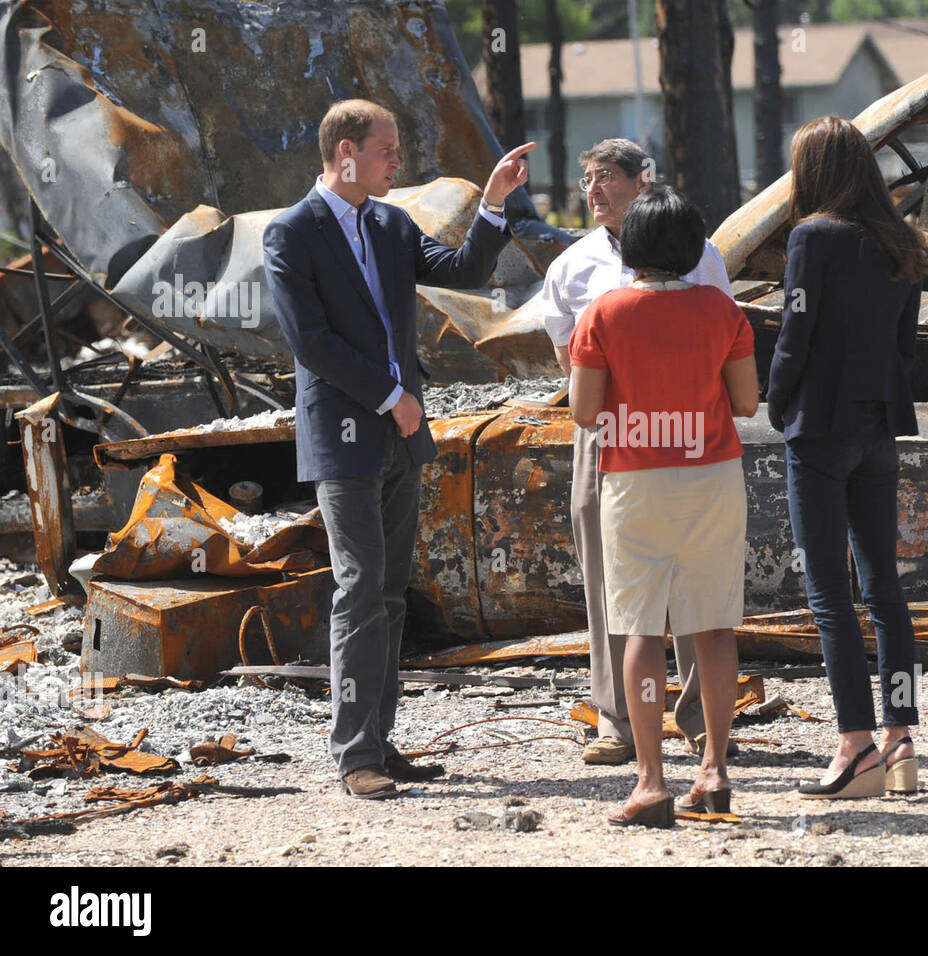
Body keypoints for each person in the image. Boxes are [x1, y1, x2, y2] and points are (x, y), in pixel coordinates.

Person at [262, 99, 533, 798]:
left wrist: (495, 205)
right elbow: (311, 343)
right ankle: (355, 756)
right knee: (358, 588)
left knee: (389, 591)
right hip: (348, 433)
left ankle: (380, 742)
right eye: (386, 148)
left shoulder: (389, 222)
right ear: (345, 151)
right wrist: (391, 397)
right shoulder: (291, 233)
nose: (398, 160)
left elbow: (463, 269)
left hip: (401, 434)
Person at [539, 138, 736, 766]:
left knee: (696, 588)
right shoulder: (572, 266)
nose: (593, 190)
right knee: (610, 578)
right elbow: (569, 364)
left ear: (642, 181)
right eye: (586, 179)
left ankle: (699, 719)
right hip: (607, 437)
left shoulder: (703, 256)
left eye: (607, 177)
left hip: (687, 438)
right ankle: (617, 718)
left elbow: (719, 337)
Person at [569, 186, 759, 827]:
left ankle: (651, 781)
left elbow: (584, 411)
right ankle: (715, 770)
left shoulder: (603, 313)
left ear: (633, 247)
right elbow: (747, 403)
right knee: (712, 626)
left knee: (641, 629)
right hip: (712, 476)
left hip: (636, 481)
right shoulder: (723, 310)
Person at [767, 116, 928, 799]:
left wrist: (777, 403)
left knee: (830, 597)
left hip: (822, 426)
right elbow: (904, 342)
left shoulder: (812, 236)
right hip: (878, 427)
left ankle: (853, 744)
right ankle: (900, 738)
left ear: (816, 171)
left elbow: (794, 329)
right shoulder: (900, 240)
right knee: (885, 591)